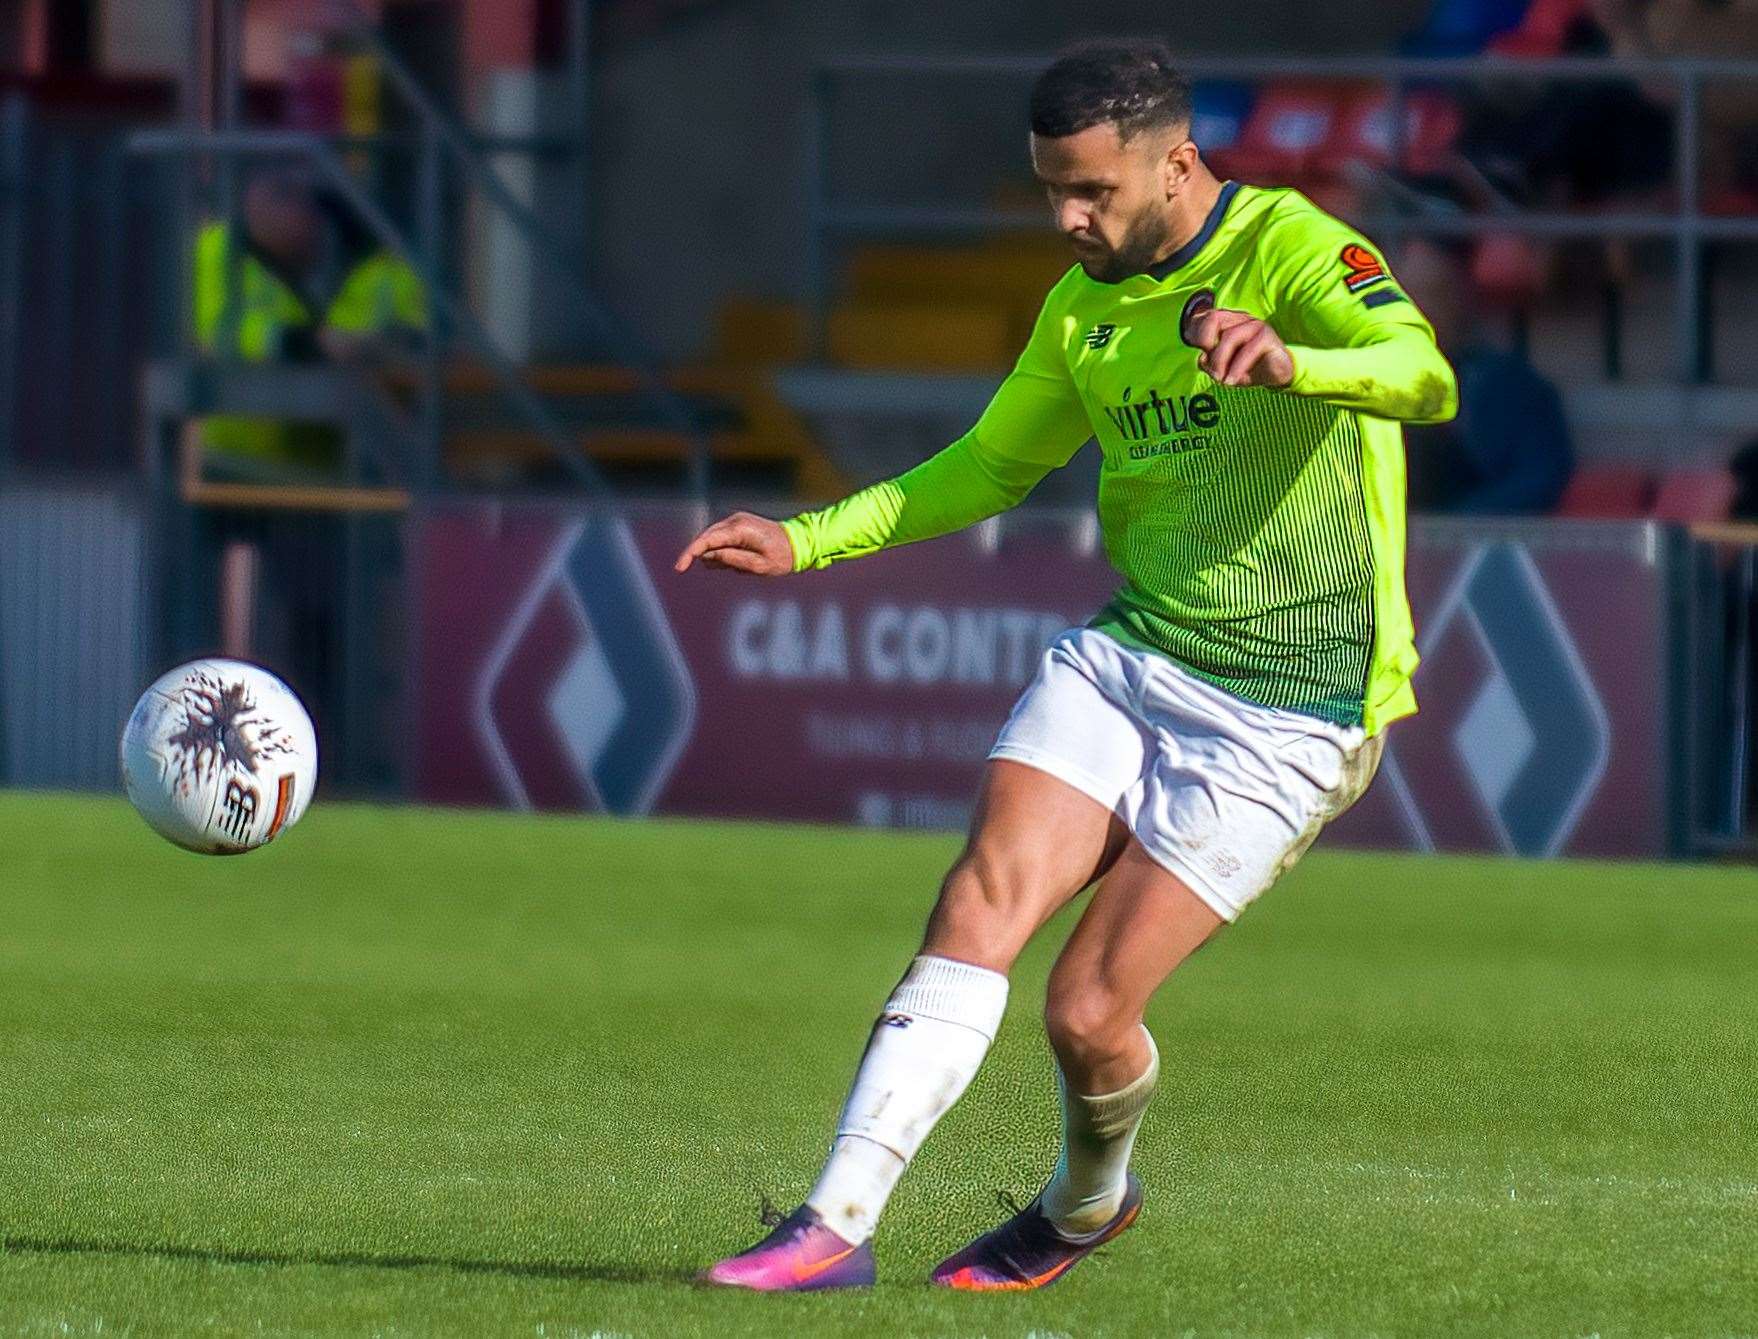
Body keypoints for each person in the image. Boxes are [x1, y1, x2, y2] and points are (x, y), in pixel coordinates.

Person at [676, 41, 1457, 1293]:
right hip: (1135, 651)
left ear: (1177, 163)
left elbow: (1424, 375)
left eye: (1092, 190)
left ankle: (1087, 1203)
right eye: (1051, 189)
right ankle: (830, 1225)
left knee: (1087, 1015)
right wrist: (807, 536)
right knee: (979, 899)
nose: (1069, 218)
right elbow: (986, 468)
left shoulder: (1296, 249)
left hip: (1295, 703)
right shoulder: (1081, 306)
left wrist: (1297, 360)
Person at [193, 169, 427, 481]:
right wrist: (314, 343)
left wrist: (375, 346)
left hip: (336, 457)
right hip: (242, 458)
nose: (314, 236)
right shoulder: (219, 251)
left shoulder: (368, 257)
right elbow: (218, 335)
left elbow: (419, 337)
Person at [1397, 238, 1572, 514]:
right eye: (1405, 298)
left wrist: (1453, 527)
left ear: (1460, 303)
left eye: (1433, 295)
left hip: (1482, 539)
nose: (1419, 310)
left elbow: (1539, 478)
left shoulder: (1513, 387)